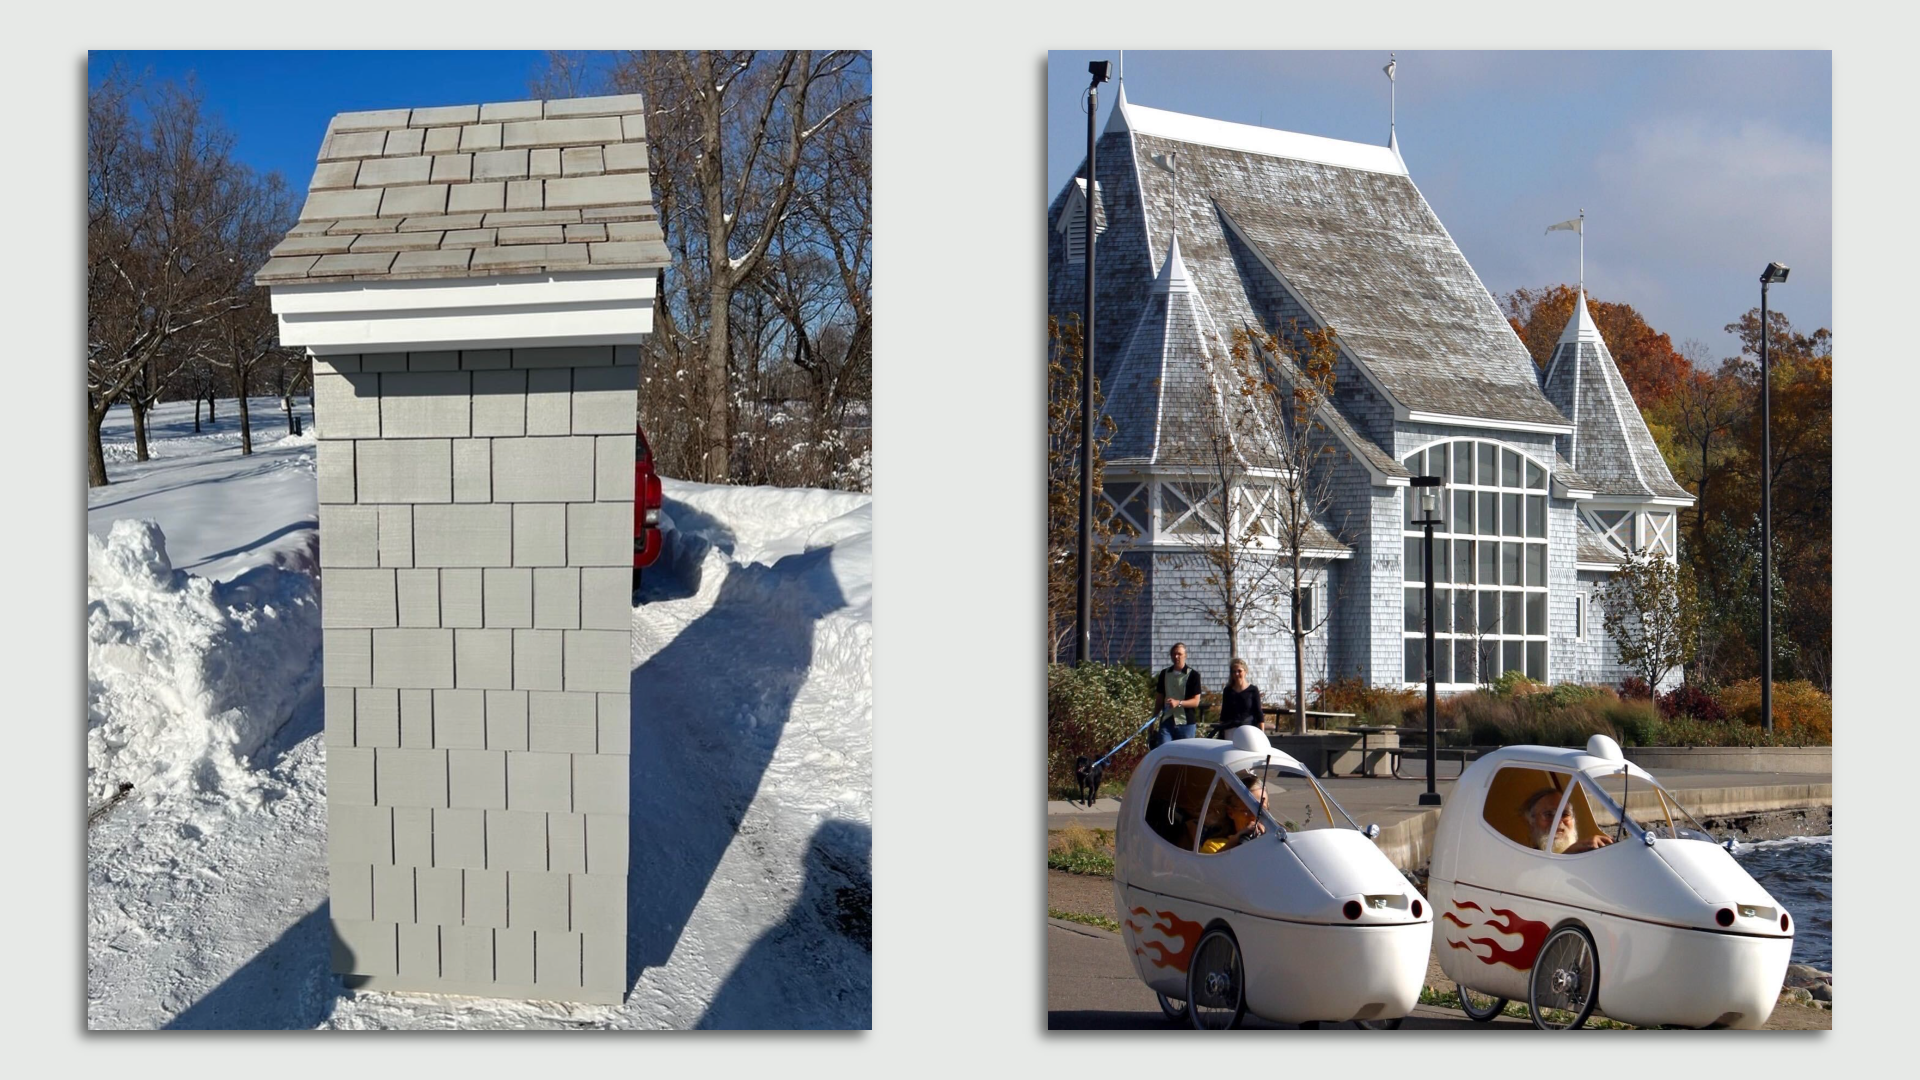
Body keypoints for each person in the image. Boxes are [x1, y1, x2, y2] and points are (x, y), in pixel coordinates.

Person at [1523, 787, 1613, 854]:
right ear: (1532, 823)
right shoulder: (1525, 861)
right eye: (1548, 815)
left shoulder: (1587, 852)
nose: (1558, 821)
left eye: (1564, 814)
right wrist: (1569, 853)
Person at [1199, 775, 1268, 854]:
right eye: (1247, 810)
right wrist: (1236, 841)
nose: (1255, 816)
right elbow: (1209, 864)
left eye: (1261, 810)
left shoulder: (1275, 841)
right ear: (1230, 812)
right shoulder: (1213, 846)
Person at [1153, 643, 1203, 746]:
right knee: (1164, 752)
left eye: (1179, 654)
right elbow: (1159, 698)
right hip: (1167, 721)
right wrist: (1153, 719)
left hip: (1186, 723)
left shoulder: (1193, 675)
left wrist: (1178, 703)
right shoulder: (1164, 674)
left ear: (1185, 655)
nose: (1176, 657)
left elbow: (1196, 701)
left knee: (1184, 756)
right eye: (1174, 654)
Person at [1212, 658, 1262, 736]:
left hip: (1248, 729)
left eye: (1239, 671)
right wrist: (1221, 731)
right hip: (1230, 729)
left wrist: (1262, 733)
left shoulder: (1253, 690)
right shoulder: (1228, 690)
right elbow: (1224, 713)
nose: (1236, 674)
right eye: (1234, 672)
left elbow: (1259, 713)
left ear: (1245, 671)